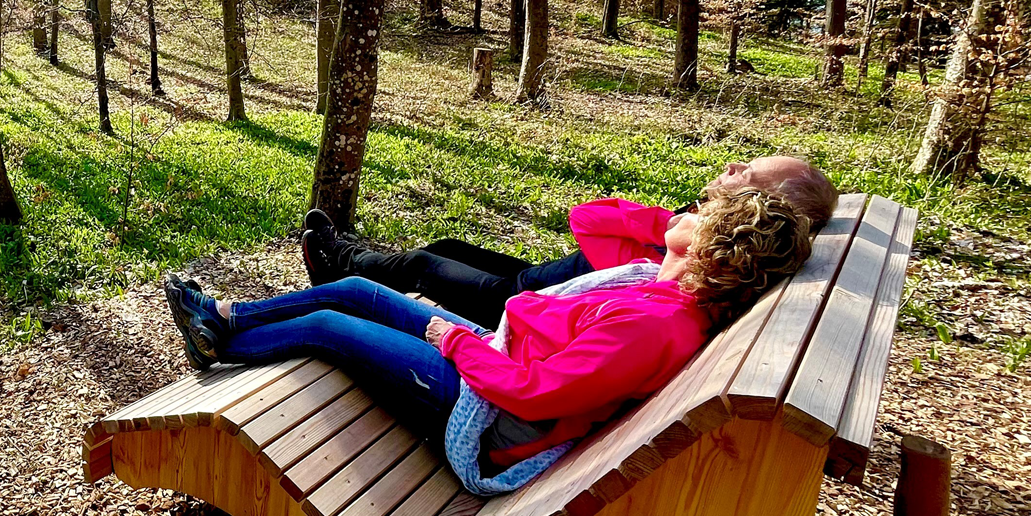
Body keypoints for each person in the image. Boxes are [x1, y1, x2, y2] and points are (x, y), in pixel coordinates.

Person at [164, 188, 813, 496]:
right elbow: (589, 216)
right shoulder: (656, 284)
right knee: (358, 290)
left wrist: (451, 338)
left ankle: (219, 344)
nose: (692, 206)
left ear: (710, 252)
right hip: (502, 358)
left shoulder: (654, 325)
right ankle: (229, 316)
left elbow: (535, 394)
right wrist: (669, 226)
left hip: (492, 415)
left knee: (331, 327)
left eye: (704, 212)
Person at [300, 155, 836, 327]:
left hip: (520, 303)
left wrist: (668, 227)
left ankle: (339, 259)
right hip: (540, 282)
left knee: (424, 263)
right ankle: (343, 268)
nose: (732, 166)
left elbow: (587, 217)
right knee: (446, 247)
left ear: (761, 205)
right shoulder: (716, 251)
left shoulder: (675, 250)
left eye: (746, 174)